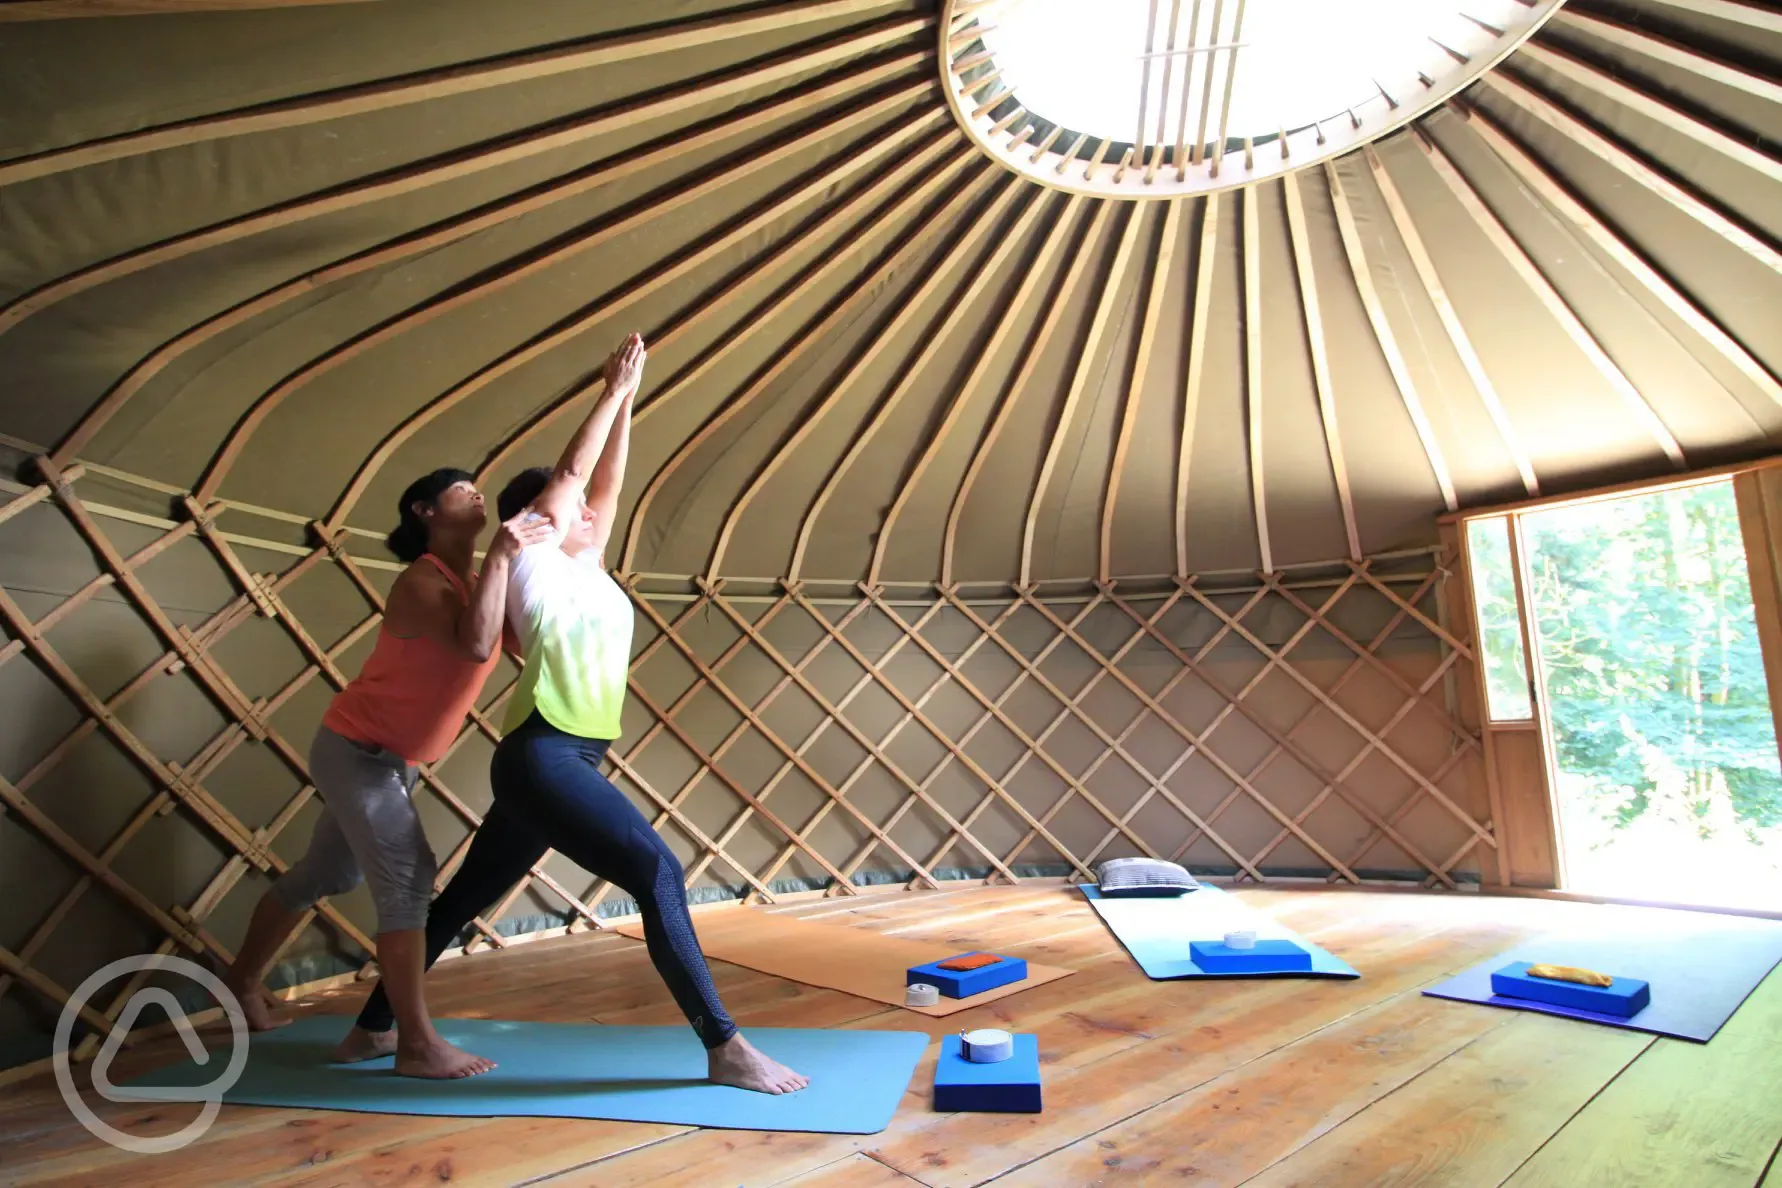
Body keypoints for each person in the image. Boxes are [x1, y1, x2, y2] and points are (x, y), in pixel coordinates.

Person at [337, 334, 808, 1095]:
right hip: (542, 755)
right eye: (577, 508)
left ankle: (371, 1027)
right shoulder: (531, 558)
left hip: (565, 759)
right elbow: (575, 474)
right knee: (657, 870)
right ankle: (723, 1046)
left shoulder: (585, 567)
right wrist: (604, 392)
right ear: (546, 518)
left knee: (462, 898)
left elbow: (609, 480)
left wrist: (630, 400)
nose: (593, 511)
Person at [222, 468, 553, 1079]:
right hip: (357, 751)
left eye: (479, 486)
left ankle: (239, 981)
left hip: (392, 759)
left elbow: (522, 640)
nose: (476, 491)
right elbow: (478, 646)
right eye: (460, 487)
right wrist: (505, 550)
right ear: (425, 511)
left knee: (325, 872)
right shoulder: (421, 583)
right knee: (409, 882)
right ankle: (412, 1043)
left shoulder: (476, 579)